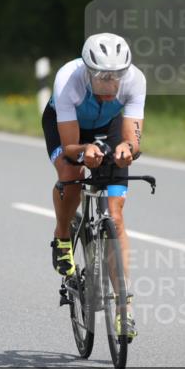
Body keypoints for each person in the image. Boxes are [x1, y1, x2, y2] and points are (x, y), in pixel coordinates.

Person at [41, 33, 146, 341]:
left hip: (109, 126)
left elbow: (132, 140)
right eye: (102, 77)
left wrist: (128, 150)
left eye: (117, 77)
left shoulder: (135, 81)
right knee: (70, 172)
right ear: (88, 71)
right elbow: (71, 146)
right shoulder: (68, 80)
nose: (110, 84)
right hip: (68, 126)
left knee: (116, 216)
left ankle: (123, 308)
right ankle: (62, 236)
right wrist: (83, 151)